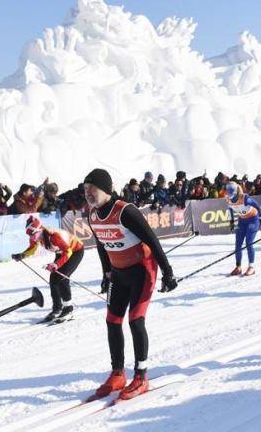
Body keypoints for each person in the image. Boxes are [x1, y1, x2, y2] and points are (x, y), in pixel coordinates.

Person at [84, 168, 177, 401]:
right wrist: (106, 274)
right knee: (112, 321)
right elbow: (101, 245)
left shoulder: (125, 211)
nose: (88, 193)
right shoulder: (93, 216)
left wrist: (168, 272)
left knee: (136, 320)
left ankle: (141, 376)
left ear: (105, 189)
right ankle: (118, 373)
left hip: (142, 271)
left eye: (92, 188)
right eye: (85, 189)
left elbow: (152, 240)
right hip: (119, 273)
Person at [11, 216, 84, 322]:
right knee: (53, 279)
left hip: (75, 251)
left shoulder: (53, 236)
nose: (31, 237)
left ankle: (68, 309)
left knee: (62, 278)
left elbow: (68, 252)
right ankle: (57, 309)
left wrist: (56, 265)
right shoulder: (36, 236)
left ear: (40, 230)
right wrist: (21, 255)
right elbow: (32, 248)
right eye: (29, 234)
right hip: (62, 253)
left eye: (32, 234)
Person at [226, 181, 261, 276]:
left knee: (248, 243)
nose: (229, 195)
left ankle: (251, 267)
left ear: (235, 192)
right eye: (228, 192)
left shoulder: (245, 198)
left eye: (231, 193)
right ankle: (238, 267)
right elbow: (230, 210)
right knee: (238, 244)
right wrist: (231, 222)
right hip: (242, 221)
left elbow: (259, 207)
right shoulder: (228, 199)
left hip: (252, 220)